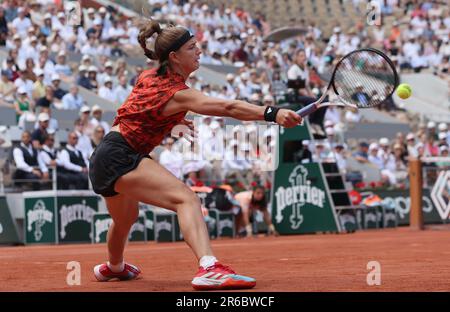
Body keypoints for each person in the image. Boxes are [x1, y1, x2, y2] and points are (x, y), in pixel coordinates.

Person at [88, 21, 301, 290]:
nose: (199, 51)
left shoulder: (149, 76)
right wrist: (273, 114)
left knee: (124, 219)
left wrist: (171, 122)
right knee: (186, 199)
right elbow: (229, 107)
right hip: (120, 155)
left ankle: (113, 268)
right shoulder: (177, 93)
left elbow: (137, 111)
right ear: (175, 57)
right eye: (192, 47)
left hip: (105, 155)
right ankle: (209, 266)